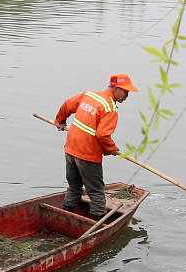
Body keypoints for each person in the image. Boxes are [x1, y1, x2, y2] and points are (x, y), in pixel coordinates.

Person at [53, 74, 139, 221]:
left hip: (71, 149)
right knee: (96, 192)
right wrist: (112, 149)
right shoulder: (110, 108)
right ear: (116, 88)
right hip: (88, 155)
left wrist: (61, 120)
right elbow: (103, 135)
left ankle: (64, 216)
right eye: (126, 91)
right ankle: (97, 223)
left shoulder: (90, 95)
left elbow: (67, 105)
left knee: (74, 188)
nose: (127, 95)